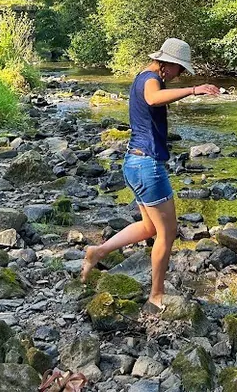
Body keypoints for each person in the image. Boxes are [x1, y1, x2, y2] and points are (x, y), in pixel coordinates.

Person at [81, 38, 220, 311]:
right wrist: (193, 90)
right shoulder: (150, 80)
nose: (179, 75)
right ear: (167, 64)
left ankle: (98, 252)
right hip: (147, 167)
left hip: (134, 163)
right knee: (167, 233)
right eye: (180, 70)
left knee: (149, 227)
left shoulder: (142, 78)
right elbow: (152, 98)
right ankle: (156, 295)